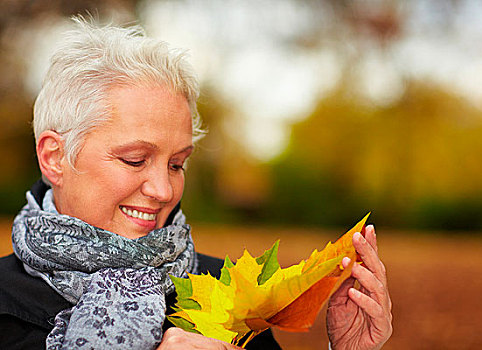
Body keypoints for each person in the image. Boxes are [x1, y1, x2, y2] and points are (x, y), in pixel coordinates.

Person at [0, 17, 392, 349]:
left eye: (176, 164)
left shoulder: (234, 299)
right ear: (54, 157)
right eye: (135, 160)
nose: (164, 190)